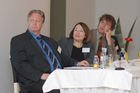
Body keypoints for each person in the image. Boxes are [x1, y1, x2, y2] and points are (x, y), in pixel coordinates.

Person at [10, 10, 89, 93]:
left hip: (57, 77)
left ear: (42, 23)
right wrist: (41, 75)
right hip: (36, 81)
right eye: (32, 20)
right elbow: (20, 64)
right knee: (60, 89)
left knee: (81, 85)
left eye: (37, 21)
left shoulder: (50, 41)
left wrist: (77, 63)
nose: (34, 23)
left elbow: (62, 57)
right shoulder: (18, 40)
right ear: (28, 22)